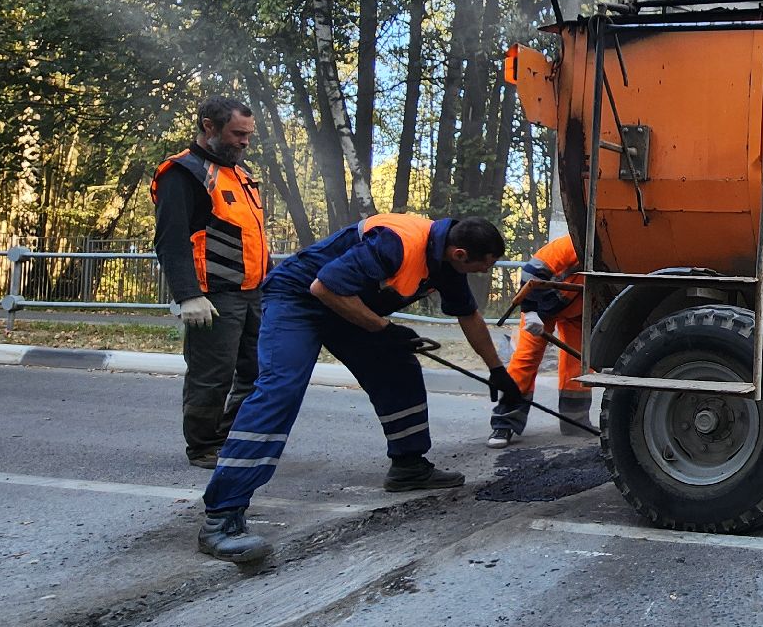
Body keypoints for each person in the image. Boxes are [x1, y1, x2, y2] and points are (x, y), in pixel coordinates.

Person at [196, 213, 521, 562]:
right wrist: (384, 329)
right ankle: (222, 518)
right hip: (298, 300)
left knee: (398, 367)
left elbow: (469, 316)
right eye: (483, 266)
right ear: (460, 254)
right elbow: (323, 287)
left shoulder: (445, 260)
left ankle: (408, 466)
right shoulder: (396, 243)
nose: (484, 273)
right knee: (280, 392)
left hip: (346, 306)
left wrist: (497, 371)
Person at [152, 97, 270, 470]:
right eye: (237, 134)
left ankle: (233, 438)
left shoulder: (240, 173)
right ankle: (204, 447)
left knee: (258, 370)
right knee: (212, 375)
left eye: (248, 135)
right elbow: (171, 240)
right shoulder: (183, 173)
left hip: (253, 292)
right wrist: (189, 296)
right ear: (209, 127)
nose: (244, 142)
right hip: (214, 296)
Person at [488, 233, 589, 447]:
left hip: (578, 312)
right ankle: (504, 423)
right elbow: (532, 271)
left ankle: (575, 421)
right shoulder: (574, 243)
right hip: (539, 307)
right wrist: (529, 311)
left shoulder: (619, 253)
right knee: (526, 359)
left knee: (578, 364)